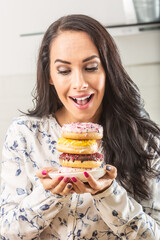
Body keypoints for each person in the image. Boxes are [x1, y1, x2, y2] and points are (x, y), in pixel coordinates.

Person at [0, 14, 160, 240]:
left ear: (108, 70)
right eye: (64, 71)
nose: (80, 83)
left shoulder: (142, 138)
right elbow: (6, 232)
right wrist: (48, 196)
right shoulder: (24, 135)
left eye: (91, 67)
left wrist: (108, 194)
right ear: (50, 76)